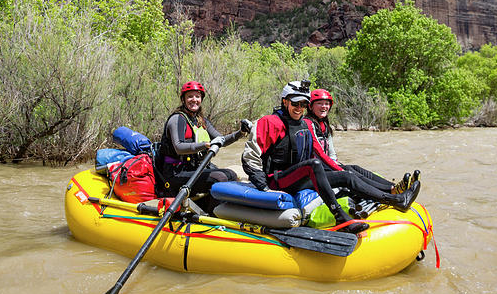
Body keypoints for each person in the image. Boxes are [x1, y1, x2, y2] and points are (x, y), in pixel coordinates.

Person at [241, 80, 420, 234]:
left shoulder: (302, 123)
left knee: (347, 175)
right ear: (284, 102)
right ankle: (341, 218)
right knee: (314, 164)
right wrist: (265, 188)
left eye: (304, 104)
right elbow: (250, 157)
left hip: (298, 177)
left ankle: (396, 199)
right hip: (277, 180)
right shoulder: (270, 122)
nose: (300, 108)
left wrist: (339, 169)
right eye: (295, 104)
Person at [154, 81, 252, 209]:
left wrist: (241, 132)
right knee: (219, 178)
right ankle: (214, 214)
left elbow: (220, 139)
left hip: (193, 169)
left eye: (197, 96)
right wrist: (205, 145)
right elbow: (179, 147)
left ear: (201, 99)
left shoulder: (201, 120)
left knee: (231, 174)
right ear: (183, 99)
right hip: (175, 174)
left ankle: (220, 209)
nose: (194, 100)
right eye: (190, 96)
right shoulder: (177, 119)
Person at [306, 88, 419, 195]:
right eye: (319, 103)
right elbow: (319, 153)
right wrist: (339, 169)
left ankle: (395, 186)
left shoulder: (324, 124)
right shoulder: (308, 124)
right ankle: (391, 191)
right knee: (350, 172)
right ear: (310, 106)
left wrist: (336, 163)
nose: (324, 106)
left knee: (354, 168)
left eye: (326, 104)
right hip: (316, 170)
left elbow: (331, 152)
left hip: (326, 166)